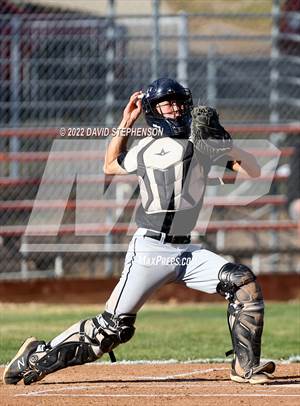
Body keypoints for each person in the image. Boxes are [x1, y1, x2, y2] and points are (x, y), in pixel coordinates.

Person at [3, 78, 275, 386]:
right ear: (153, 111)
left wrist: (227, 145)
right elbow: (109, 165)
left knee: (242, 283)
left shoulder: (199, 144)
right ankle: (35, 356)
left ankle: (245, 366)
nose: (177, 109)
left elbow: (253, 171)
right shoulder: (154, 148)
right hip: (150, 250)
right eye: (167, 103)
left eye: (180, 102)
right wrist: (126, 121)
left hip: (187, 250)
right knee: (112, 330)